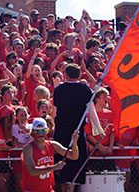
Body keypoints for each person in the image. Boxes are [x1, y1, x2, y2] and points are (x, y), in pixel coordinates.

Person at [53, 63, 103, 191]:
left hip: (62, 132)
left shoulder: (59, 89)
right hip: (77, 132)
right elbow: (91, 111)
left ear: (66, 75)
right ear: (79, 75)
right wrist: (99, 130)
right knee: (76, 162)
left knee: (62, 162)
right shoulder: (84, 89)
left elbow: (54, 112)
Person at [21, 118, 80, 192]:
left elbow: (74, 156)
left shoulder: (53, 145)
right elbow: (32, 171)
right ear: (32, 132)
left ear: (47, 131)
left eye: (43, 131)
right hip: (31, 190)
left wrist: (74, 142)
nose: (40, 134)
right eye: (37, 131)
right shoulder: (28, 148)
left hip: (48, 189)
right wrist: (54, 167)